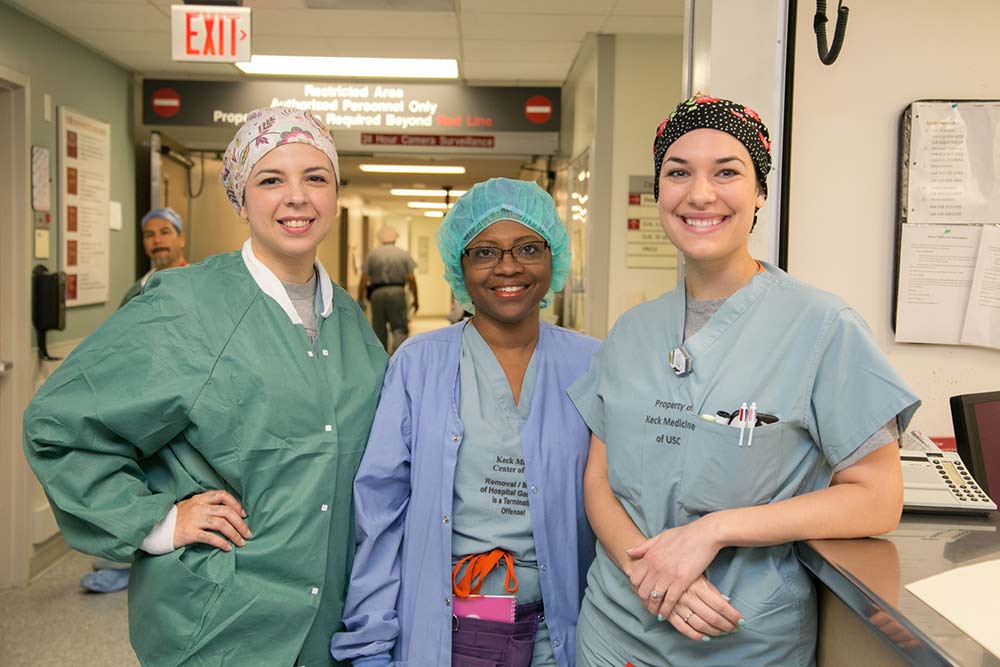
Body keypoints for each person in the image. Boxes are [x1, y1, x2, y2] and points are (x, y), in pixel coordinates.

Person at [23, 107, 388, 667]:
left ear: (335, 195)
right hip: (220, 618)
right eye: (271, 179)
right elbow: (61, 426)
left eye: (315, 177)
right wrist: (156, 523)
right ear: (241, 200)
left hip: (329, 625)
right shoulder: (183, 306)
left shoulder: (351, 324)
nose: (296, 197)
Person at [568, 96, 921, 667]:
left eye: (727, 172)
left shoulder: (822, 328)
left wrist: (714, 530)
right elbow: (600, 480)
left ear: (759, 194)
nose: (700, 193)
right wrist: (652, 573)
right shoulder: (632, 331)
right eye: (678, 172)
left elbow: (878, 499)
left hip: (741, 639)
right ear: (659, 192)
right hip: (615, 631)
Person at [331, 178, 598, 667]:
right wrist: (369, 645)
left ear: (554, 258)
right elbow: (380, 513)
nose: (508, 266)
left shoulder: (592, 365)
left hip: (564, 631)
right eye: (485, 252)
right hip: (449, 631)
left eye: (528, 247)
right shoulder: (419, 364)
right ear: (461, 266)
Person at [357, 226, 419, 353]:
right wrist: (416, 298)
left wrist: (360, 298)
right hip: (397, 292)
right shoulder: (403, 254)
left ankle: (381, 358)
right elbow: (412, 278)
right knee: (399, 327)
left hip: (377, 294)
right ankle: (399, 356)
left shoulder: (373, 255)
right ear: (395, 239)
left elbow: (363, 279)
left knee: (378, 328)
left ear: (380, 239)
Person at [120, 206, 188, 307]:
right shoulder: (135, 294)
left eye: (165, 232)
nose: (157, 240)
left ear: (181, 239)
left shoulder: (199, 284)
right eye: (149, 235)